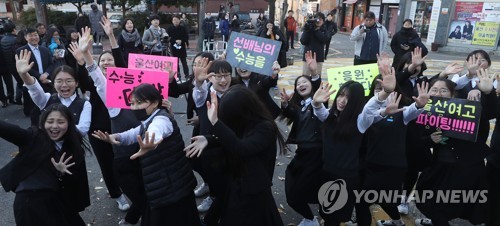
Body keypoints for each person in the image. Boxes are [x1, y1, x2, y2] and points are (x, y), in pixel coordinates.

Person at [93, 83, 200, 226]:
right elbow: (133, 133)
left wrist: (151, 143)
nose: (135, 107)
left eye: (140, 103)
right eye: (132, 103)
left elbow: (155, 132)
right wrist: (115, 137)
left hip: (171, 186)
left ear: (155, 102)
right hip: (169, 184)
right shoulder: (148, 120)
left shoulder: (161, 120)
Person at [185, 85, 286, 226]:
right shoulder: (246, 122)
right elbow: (234, 136)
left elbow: (242, 147)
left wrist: (216, 123)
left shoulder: (265, 128)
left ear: (242, 112)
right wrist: (208, 139)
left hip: (254, 190)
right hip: (239, 181)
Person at [356, 54, 430, 226]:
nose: (380, 92)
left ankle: (396, 221)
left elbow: (412, 110)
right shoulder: (367, 113)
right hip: (372, 166)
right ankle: (397, 222)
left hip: (395, 168)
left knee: (380, 200)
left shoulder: (401, 112)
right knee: (366, 201)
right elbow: (368, 114)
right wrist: (383, 95)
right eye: (377, 89)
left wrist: (420, 105)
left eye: (384, 88)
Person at [415, 73, 496, 226]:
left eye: (443, 90)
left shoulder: (467, 109)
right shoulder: (424, 110)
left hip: (467, 168)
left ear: (453, 94)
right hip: (440, 167)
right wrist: (430, 139)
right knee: (429, 201)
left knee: (455, 205)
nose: (438, 93)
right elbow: (418, 138)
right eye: (434, 89)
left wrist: (488, 92)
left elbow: (490, 113)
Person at [0, 103, 90, 226]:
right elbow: (8, 130)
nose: (54, 126)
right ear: (43, 123)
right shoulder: (32, 137)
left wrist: (62, 173)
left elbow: (76, 185)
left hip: (58, 202)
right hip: (29, 203)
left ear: (69, 124)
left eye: (60, 122)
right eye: (50, 121)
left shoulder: (73, 147)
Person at [280, 52, 322, 226]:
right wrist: (285, 104)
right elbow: (290, 113)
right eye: (298, 84)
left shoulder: (318, 102)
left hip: (317, 153)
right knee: (295, 185)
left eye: (305, 82)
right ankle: (313, 217)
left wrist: (314, 73)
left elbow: (318, 89)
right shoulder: (299, 107)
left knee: (300, 189)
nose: (301, 85)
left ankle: (312, 219)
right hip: (303, 153)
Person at [16, 27, 55, 117]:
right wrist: (39, 76)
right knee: (33, 109)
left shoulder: (44, 49)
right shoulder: (21, 51)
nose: (34, 37)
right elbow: (24, 68)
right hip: (31, 81)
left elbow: (51, 64)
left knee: (48, 105)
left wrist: (46, 74)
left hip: (45, 80)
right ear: (26, 37)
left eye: (35, 35)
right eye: (31, 36)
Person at [167, 15, 190, 80]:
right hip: (173, 47)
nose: (175, 21)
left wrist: (181, 40)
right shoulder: (170, 29)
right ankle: (178, 76)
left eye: (177, 19)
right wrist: (175, 41)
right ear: (172, 21)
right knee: (175, 63)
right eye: (174, 20)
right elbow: (168, 38)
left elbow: (186, 37)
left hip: (181, 47)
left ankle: (187, 75)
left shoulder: (183, 28)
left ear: (179, 20)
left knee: (184, 62)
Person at [0, 21, 17, 107]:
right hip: (5, 64)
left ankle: (6, 100)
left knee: (8, 82)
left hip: (5, 64)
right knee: (8, 82)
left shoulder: (2, 38)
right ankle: (7, 99)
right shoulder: (3, 38)